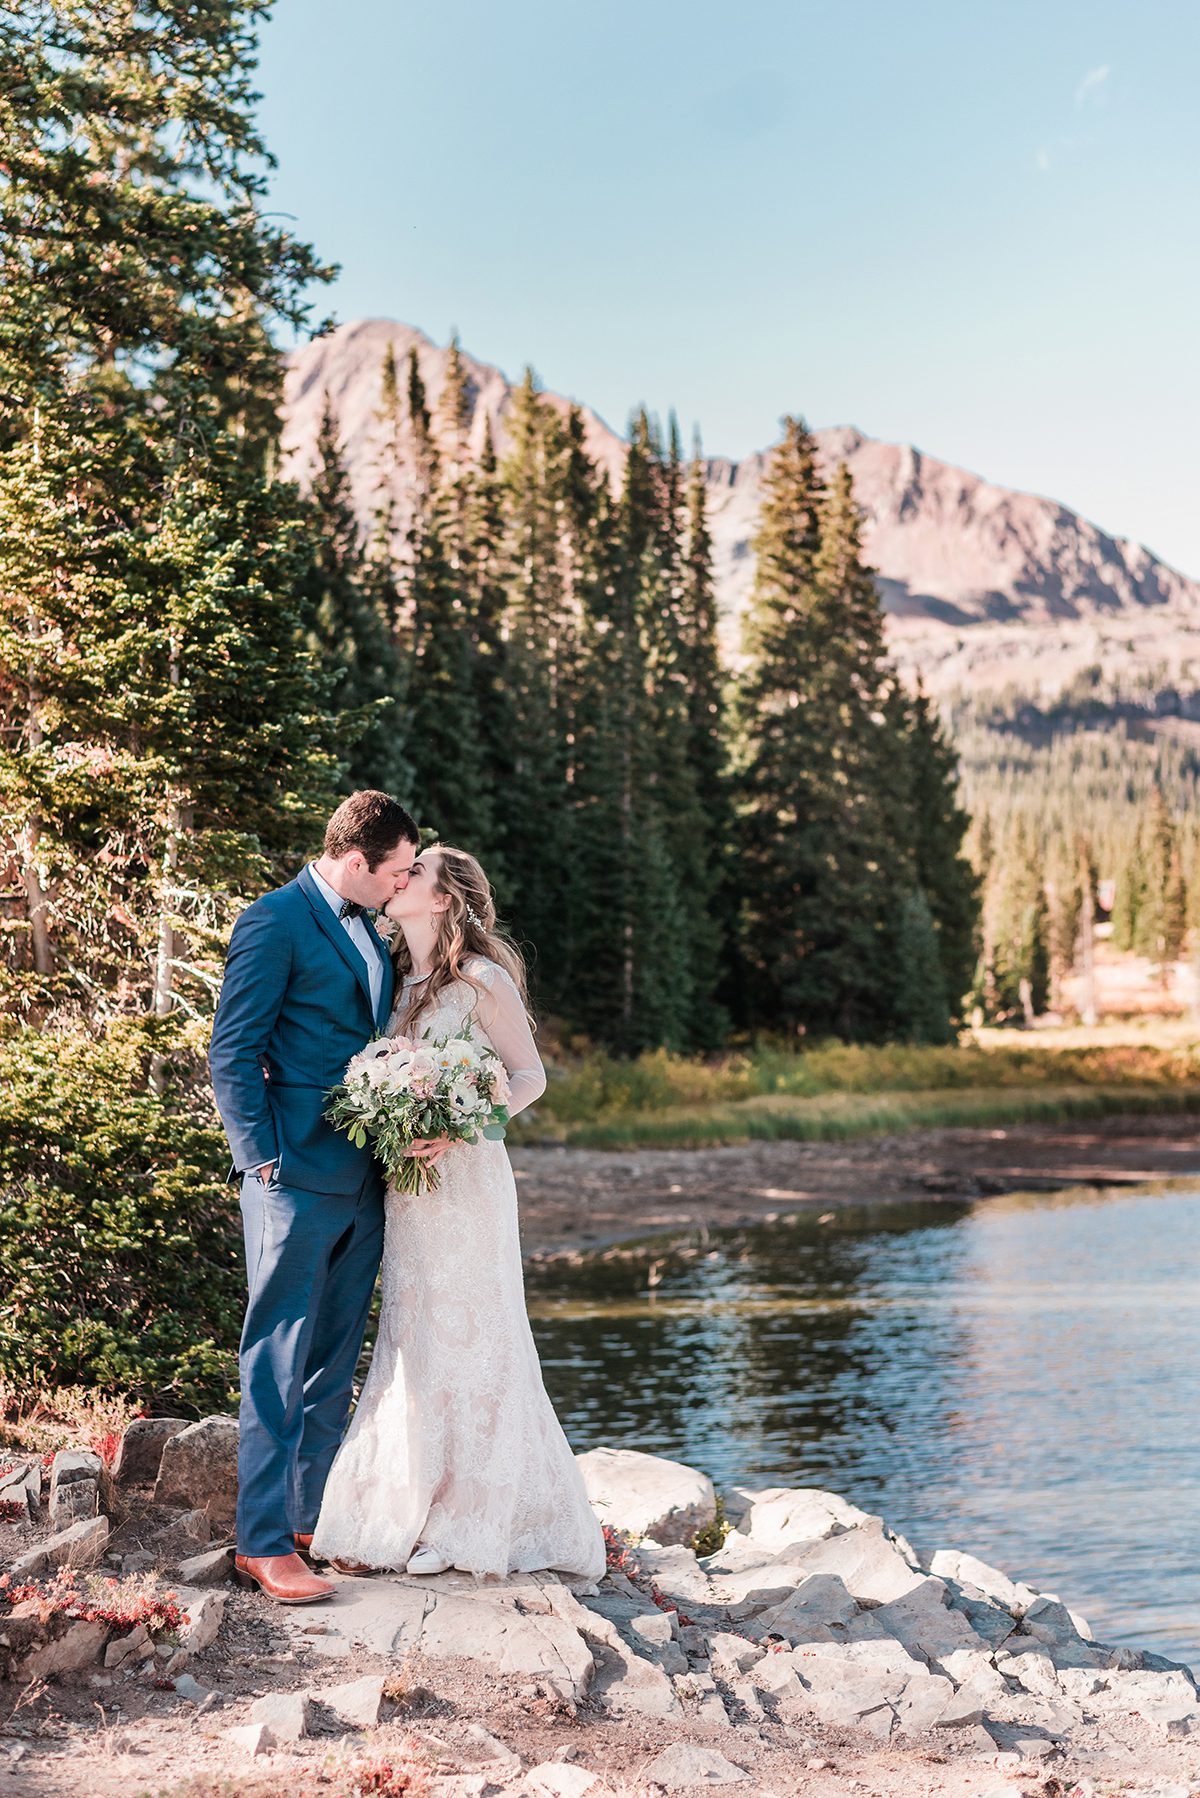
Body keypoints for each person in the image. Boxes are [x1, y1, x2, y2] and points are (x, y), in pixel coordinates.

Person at [310, 845, 605, 1583]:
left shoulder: (481, 980)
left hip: (469, 1182)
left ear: (442, 900)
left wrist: (464, 1121)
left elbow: (529, 1076)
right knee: (415, 1339)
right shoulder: (393, 980)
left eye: (416, 874)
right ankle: (407, 1505)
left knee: (479, 1337)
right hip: (409, 1191)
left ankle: (471, 1522)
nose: (398, 879)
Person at [209, 790, 422, 1604]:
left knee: (333, 1360)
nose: (403, 886)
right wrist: (259, 1161)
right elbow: (233, 1051)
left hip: (363, 1177)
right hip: (291, 1178)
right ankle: (259, 1542)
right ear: (356, 860)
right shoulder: (275, 919)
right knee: (277, 1355)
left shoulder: (370, 929)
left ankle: (306, 1521)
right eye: (396, 872)